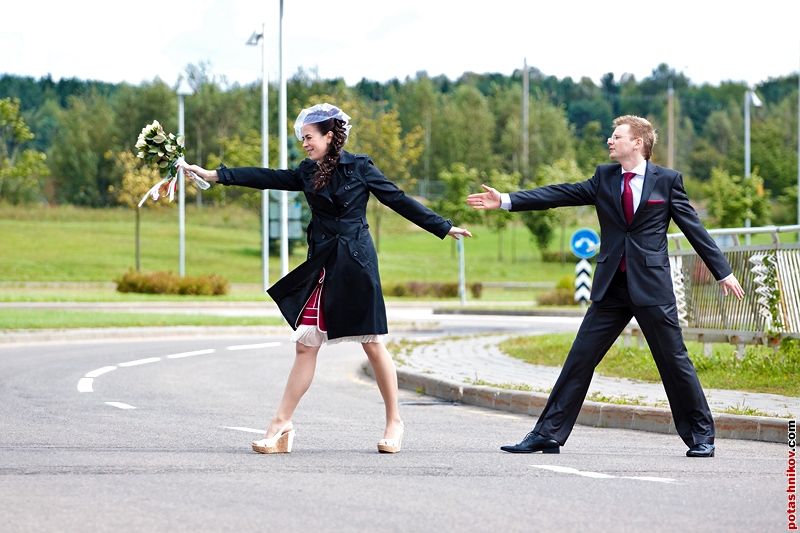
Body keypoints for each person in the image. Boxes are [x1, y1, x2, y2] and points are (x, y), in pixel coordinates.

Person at [184, 103, 472, 455]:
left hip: (356, 264)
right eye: (303, 138)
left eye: (309, 137)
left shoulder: (360, 166)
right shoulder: (307, 172)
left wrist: (441, 226)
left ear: (329, 136)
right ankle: (281, 425)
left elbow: (396, 198)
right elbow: (267, 177)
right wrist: (215, 175)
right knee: (305, 344)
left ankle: (394, 421)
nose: (304, 144)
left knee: (372, 343)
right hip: (322, 265)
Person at [467, 115, 744, 458]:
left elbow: (694, 229)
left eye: (617, 136)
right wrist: (507, 199)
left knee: (674, 360)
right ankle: (547, 434)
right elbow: (560, 194)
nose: (610, 142)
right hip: (611, 288)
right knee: (579, 359)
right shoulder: (604, 177)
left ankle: (702, 436)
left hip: (651, 287)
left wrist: (723, 272)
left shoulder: (668, 181)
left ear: (637, 143)